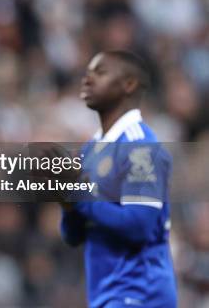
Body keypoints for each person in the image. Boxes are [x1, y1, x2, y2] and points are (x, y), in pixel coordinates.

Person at [60, 51, 177, 308]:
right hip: (106, 294)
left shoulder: (140, 147)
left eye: (100, 72)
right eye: (87, 72)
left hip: (140, 294)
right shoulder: (91, 149)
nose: (87, 79)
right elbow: (73, 235)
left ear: (129, 84)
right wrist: (66, 199)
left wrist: (80, 196)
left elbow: (138, 225)